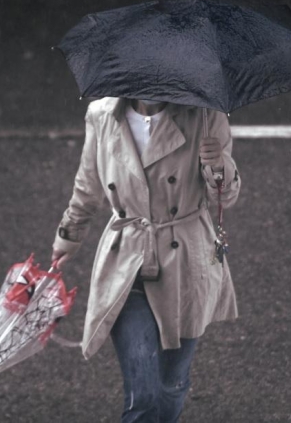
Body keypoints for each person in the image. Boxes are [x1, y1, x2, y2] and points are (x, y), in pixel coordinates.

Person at [51, 97, 241, 422]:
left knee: (171, 384)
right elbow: (87, 187)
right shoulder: (101, 114)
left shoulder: (206, 117)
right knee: (144, 393)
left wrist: (219, 165)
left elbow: (223, 199)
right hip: (126, 261)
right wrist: (67, 239)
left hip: (186, 266)